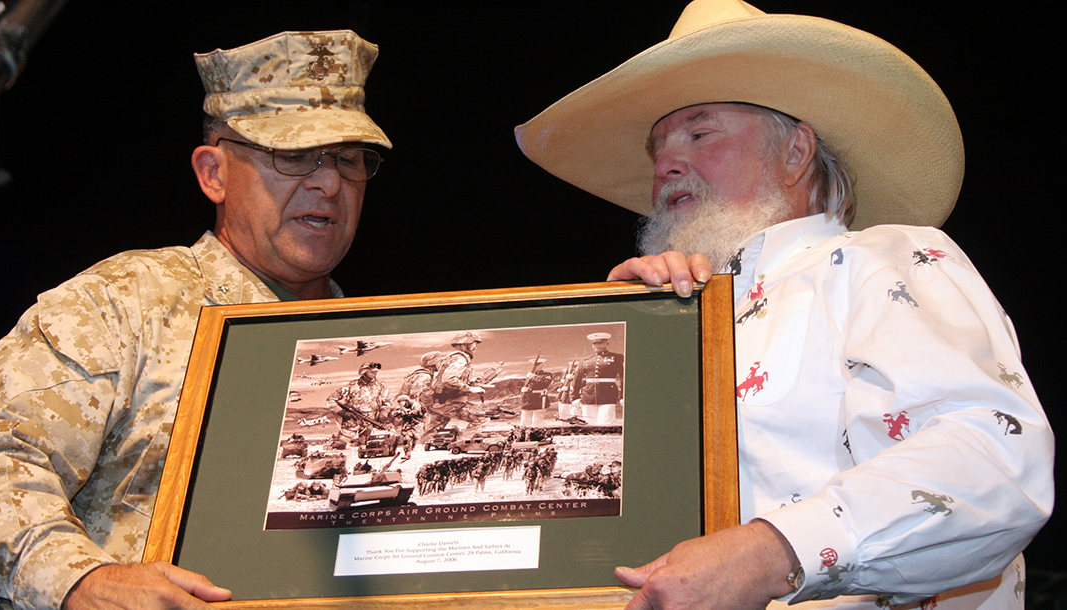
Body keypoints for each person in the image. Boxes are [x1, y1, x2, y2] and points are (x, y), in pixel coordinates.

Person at [515, 2, 1053, 609]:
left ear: (796, 152)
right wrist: (635, 332)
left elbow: (992, 458)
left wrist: (776, 552)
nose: (665, 165)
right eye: (658, 148)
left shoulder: (885, 259)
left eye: (699, 132)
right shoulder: (672, 311)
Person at [0, 30, 391, 610]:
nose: (329, 182)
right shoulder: (125, 303)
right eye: (293, 155)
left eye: (349, 160)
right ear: (213, 173)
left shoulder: (379, 351)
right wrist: (82, 582)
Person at [425, 331, 485, 438]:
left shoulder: (451, 358)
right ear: (465, 343)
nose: (475, 346)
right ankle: (462, 443)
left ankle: (421, 447)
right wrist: (470, 389)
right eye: (474, 343)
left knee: (431, 433)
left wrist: (472, 382)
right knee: (481, 419)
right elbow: (449, 379)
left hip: (438, 402)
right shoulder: (460, 358)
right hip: (447, 403)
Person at [326, 361, 391, 439]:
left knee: (374, 445)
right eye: (371, 371)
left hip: (372, 423)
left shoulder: (381, 386)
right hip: (351, 423)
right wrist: (342, 412)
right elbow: (330, 400)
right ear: (364, 372)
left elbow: (387, 403)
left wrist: (383, 414)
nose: (374, 373)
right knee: (341, 444)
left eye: (375, 371)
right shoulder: (351, 386)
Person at [570, 332, 624, 426]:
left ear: (607, 343)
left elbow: (624, 377)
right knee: (589, 424)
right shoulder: (586, 360)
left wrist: (623, 396)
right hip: (588, 396)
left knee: (606, 424)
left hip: (608, 396)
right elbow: (577, 379)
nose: (596, 345)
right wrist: (574, 397)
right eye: (594, 343)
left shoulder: (616, 358)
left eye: (600, 343)